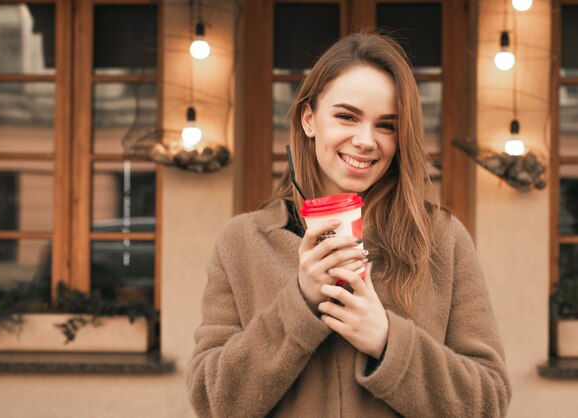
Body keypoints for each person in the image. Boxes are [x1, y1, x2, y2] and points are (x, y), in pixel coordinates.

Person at [187, 32, 511, 417]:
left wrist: (388, 343)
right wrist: (300, 304)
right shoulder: (242, 241)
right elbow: (212, 402)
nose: (365, 140)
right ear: (309, 119)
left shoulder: (441, 239)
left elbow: (488, 401)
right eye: (346, 116)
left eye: (386, 125)